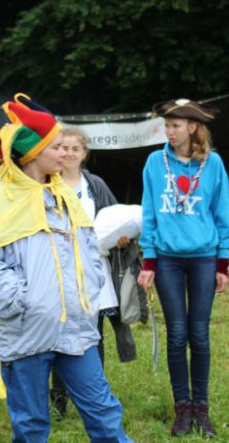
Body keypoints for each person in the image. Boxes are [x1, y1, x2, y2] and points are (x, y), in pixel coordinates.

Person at [0, 94, 132, 442]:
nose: (64, 154)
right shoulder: (6, 201)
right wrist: (25, 304)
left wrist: (87, 293)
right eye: (56, 147)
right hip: (27, 334)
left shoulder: (65, 198)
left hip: (76, 330)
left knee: (104, 415)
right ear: (33, 153)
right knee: (31, 425)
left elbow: (88, 251)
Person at [137, 99, 229, 438]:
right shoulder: (155, 162)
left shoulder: (213, 164)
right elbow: (149, 212)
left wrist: (222, 262)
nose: (169, 131)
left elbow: (222, 213)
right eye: (166, 125)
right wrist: (149, 260)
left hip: (205, 258)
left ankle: (201, 408)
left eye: (175, 125)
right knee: (177, 333)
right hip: (167, 259)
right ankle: (182, 407)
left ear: (192, 127)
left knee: (200, 333)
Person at [48, 126, 145, 419]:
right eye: (63, 148)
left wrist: (122, 239)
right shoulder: (46, 183)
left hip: (94, 270)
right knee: (61, 334)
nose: (68, 153)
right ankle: (58, 396)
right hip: (58, 270)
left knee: (94, 335)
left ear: (84, 154)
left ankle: (93, 396)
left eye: (75, 149)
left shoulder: (95, 185)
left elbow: (113, 217)